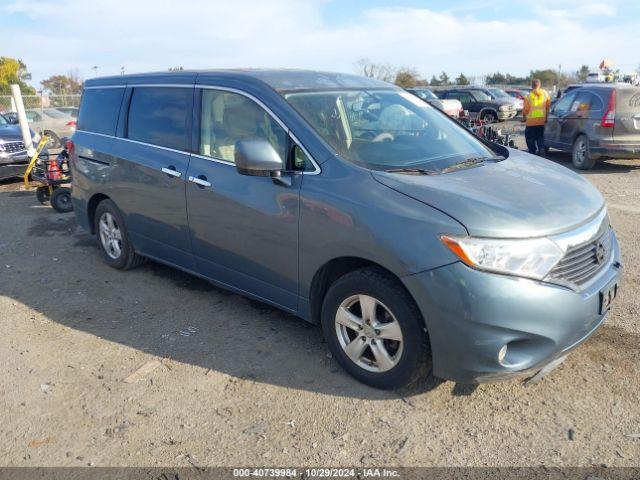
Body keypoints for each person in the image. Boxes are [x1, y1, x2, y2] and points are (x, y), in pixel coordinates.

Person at [522, 78, 551, 155]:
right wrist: (546, 118)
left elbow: (526, 109)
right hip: (541, 121)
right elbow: (548, 107)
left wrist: (524, 117)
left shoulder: (528, 96)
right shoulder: (545, 94)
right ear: (539, 85)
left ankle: (532, 151)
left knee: (530, 138)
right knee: (540, 137)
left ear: (532, 86)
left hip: (531, 122)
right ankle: (541, 148)